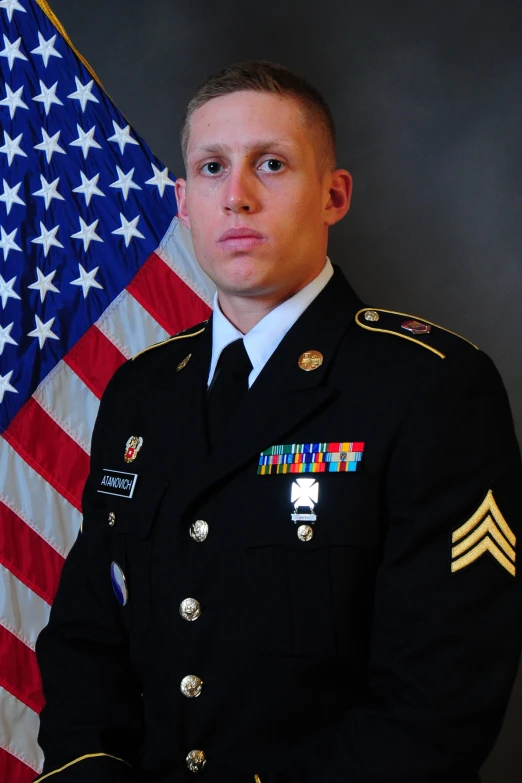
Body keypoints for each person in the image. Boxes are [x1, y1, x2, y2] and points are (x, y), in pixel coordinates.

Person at [34, 61, 522, 783]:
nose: (238, 197)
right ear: (183, 202)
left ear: (333, 194)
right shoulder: (141, 392)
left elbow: (438, 703)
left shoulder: (430, 387)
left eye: (271, 164)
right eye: (211, 168)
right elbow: (86, 635)